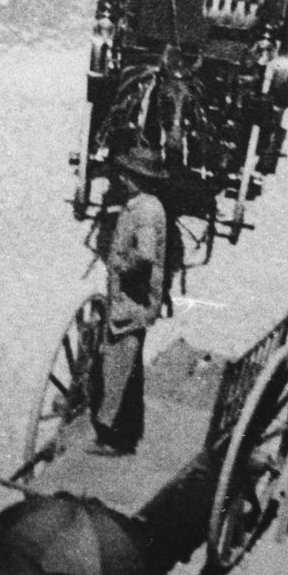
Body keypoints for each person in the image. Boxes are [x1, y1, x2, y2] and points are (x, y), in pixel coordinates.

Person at [94, 147, 169, 455]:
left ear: (137, 178)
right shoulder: (143, 204)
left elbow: (146, 255)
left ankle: (119, 439)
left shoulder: (146, 211)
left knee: (120, 370)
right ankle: (122, 434)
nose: (122, 179)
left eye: (127, 175)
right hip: (129, 301)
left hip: (132, 302)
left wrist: (121, 264)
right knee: (125, 367)